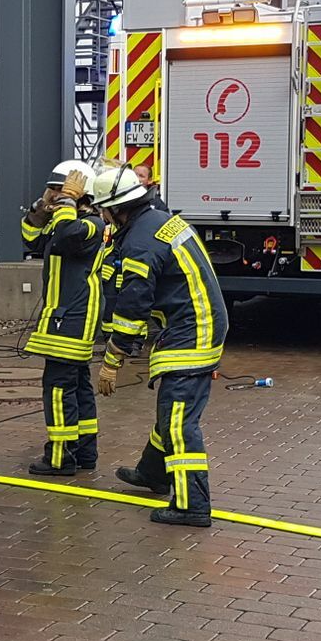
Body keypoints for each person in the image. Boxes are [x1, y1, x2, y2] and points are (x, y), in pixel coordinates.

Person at [93, 162, 228, 527]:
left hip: (192, 331)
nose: (102, 216)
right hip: (197, 322)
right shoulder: (156, 220)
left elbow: (133, 306)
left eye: (103, 209)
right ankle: (153, 473)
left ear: (117, 208)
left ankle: (191, 506)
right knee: (173, 410)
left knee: (179, 422)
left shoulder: (140, 242)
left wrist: (112, 360)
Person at [21, 160, 106, 476]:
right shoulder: (61, 221)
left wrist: (67, 204)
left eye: (60, 190)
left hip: (73, 318)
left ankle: (60, 458)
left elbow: (68, 237)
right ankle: (85, 452)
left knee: (58, 389)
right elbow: (32, 240)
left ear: (80, 194)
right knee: (77, 385)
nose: (55, 195)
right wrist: (40, 209)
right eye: (54, 190)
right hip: (63, 316)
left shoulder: (90, 225)